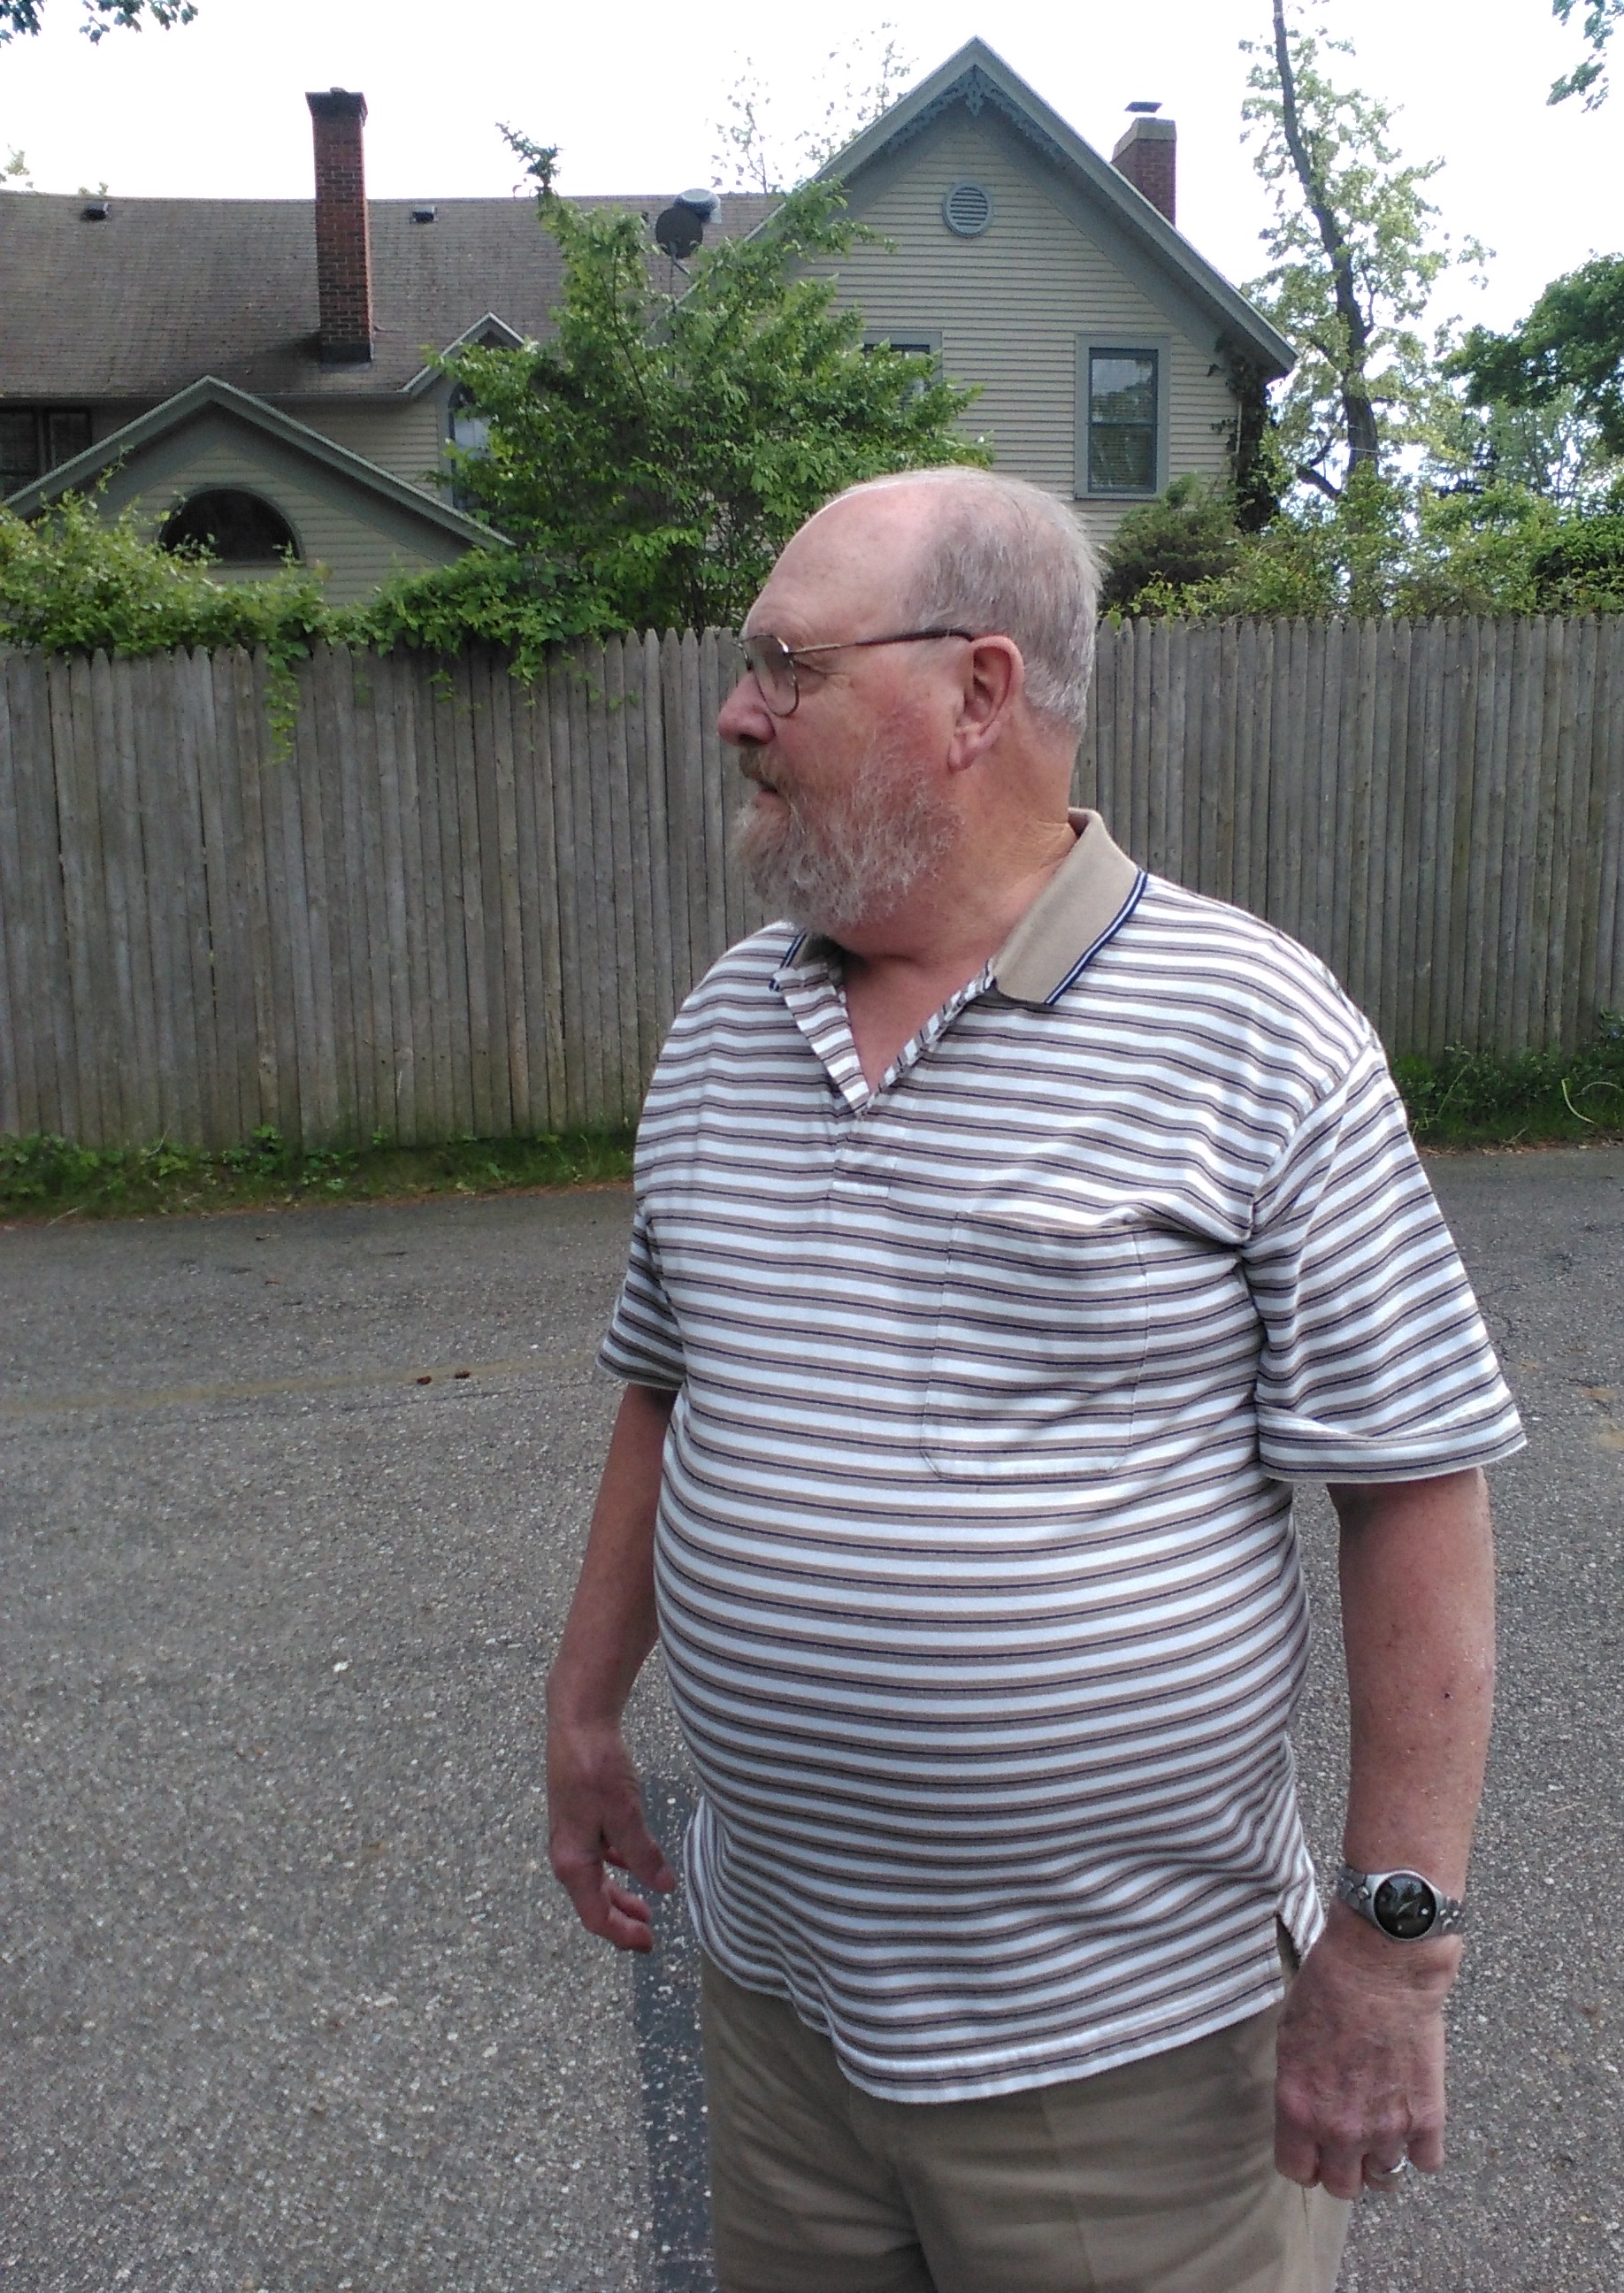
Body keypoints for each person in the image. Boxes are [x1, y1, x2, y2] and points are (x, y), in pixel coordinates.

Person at [545, 467, 1522, 2293]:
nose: (736, 713)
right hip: (782, 2013)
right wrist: (588, 1709)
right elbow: (663, 1385)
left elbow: (1417, 1490)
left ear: (978, 691)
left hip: (1129, 2064)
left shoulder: (1253, 1031)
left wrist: (1394, 1954)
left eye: (783, 666)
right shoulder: (724, 1027)